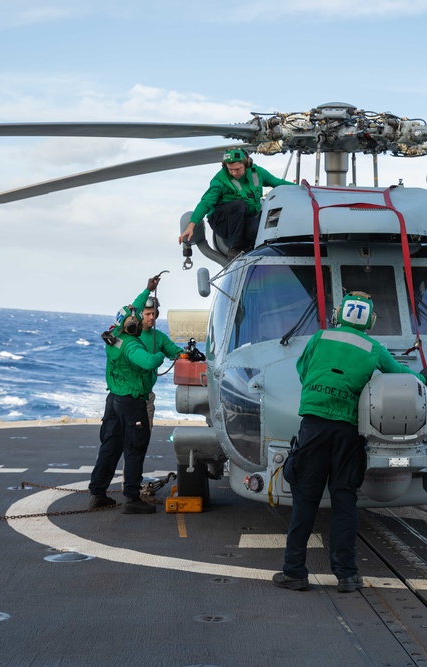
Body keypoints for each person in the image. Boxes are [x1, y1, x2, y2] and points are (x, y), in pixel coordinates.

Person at [273, 291, 427, 593]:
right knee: (344, 499)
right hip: (347, 430)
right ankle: (346, 575)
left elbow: (302, 371)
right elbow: (400, 375)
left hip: (314, 425)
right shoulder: (374, 348)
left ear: (339, 313)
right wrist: (423, 378)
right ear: (370, 320)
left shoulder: (320, 338)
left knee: (305, 499)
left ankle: (294, 572)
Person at [88, 281, 170, 515]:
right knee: (135, 447)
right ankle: (132, 499)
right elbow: (149, 361)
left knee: (110, 447)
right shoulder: (131, 346)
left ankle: (97, 493)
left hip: (113, 400)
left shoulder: (114, 335)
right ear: (133, 324)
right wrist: (159, 355)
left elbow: (131, 308)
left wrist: (148, 288)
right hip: (132, 402)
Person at [179, 148, 295, 257]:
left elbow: (277, 182)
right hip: (222, 221)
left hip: (244, 218)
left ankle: (249, 254)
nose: (234, 173)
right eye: (230, 170)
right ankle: (234, 249)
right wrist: (191, 225)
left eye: (237, 169)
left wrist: (303, 188)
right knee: (238, 205)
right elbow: (205, 203)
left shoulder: (257, 173)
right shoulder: (220, 180)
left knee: (257, 230)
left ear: (246, 165)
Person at [130, 274, 185, 430]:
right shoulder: (130, 335)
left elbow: (176, 353)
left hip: (147, 397)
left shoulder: (159, 337)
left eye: (154, 314)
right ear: (141, 314)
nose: (151, 317)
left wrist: (188, 355)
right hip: (127, 396)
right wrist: (148, 289)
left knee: (144, 435)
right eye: (148, 314)